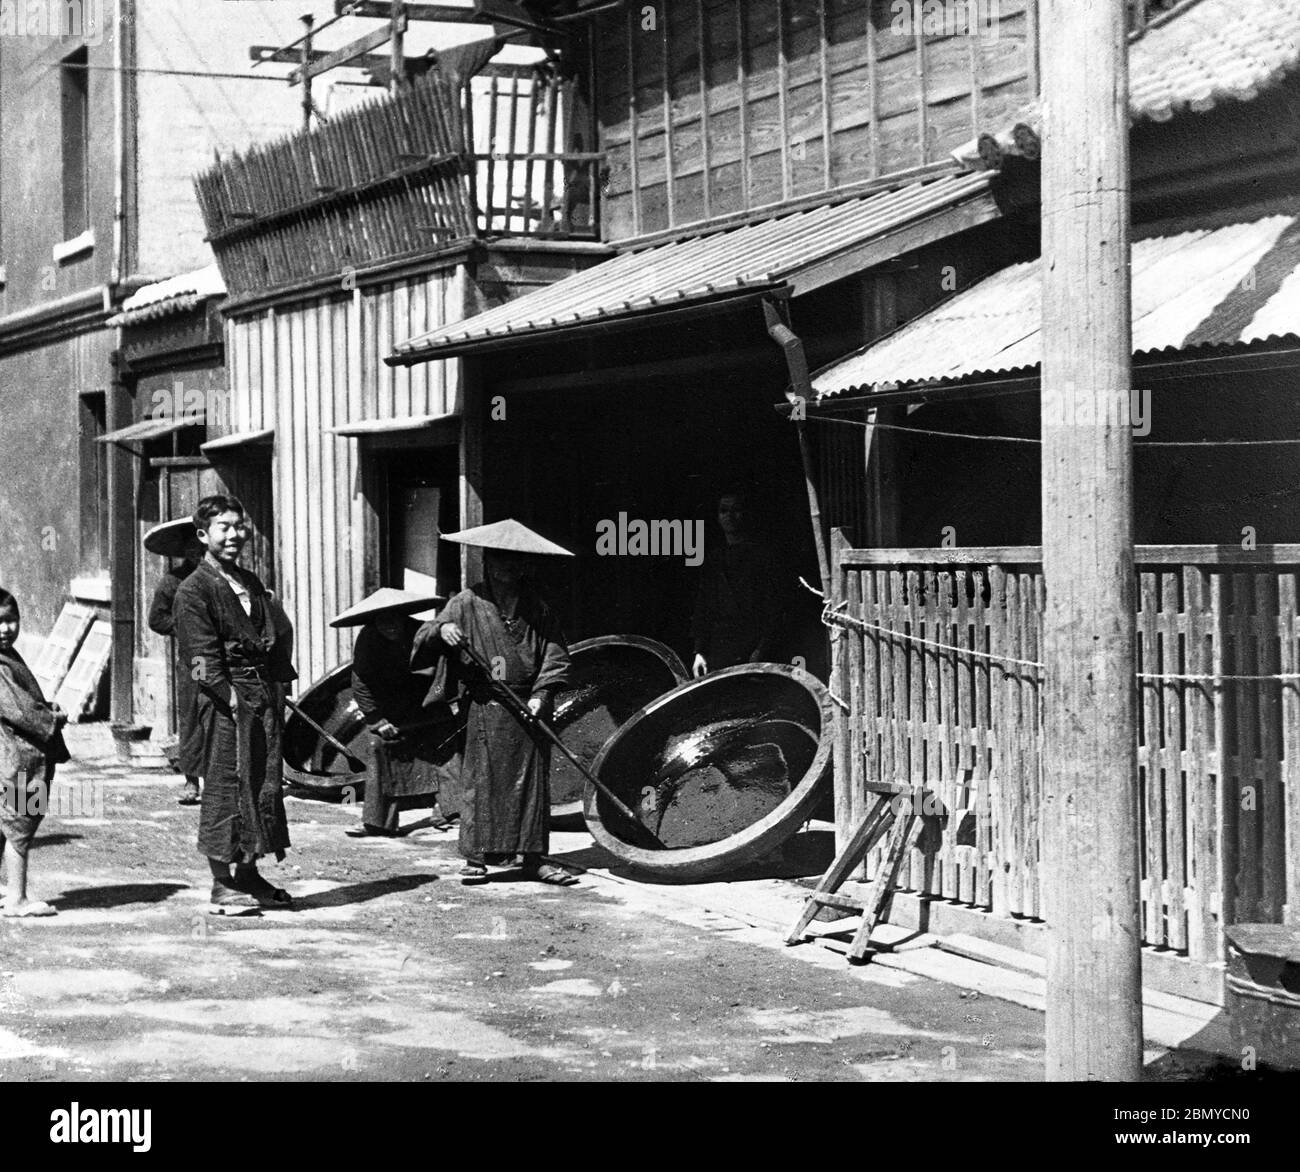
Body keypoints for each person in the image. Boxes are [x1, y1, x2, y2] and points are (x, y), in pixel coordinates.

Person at [411, 519, 576, 887]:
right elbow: (425, 635)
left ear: (524, 566)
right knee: (481, 784)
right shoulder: (466, 602)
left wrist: (541, 694)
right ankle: (476, 857)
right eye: (498, 560)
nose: (506, 568)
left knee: (530, 786)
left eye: (513, 561)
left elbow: (555, 655)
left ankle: (534, 859)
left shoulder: (538, 608)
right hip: (487, 706)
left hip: (528, 706)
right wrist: (442, 630)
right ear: (487, 562)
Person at [173, 495, 298, 916]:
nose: (233, 534)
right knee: (228, 785)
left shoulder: (249, 581)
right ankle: (221, 884)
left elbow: (277, 632)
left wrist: (277, 684)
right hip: (223, 699)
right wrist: (230, 699)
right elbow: (197, 659)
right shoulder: (194, 589)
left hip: (262, 695)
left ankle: (249, 873)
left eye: (238, 526)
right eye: (223, 527)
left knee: (262, 782)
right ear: (204, 535)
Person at [330, 588, 460, 838]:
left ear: (404, 617)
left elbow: (448, 655)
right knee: (379, 747)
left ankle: (450, 812)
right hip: (392, 710)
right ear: (374, 622)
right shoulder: (368, 639)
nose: (390, 626)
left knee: (447, 751)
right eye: (382, 621)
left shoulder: (423, 631)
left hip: (429, 705)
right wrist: (376, 719)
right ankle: (377, 822)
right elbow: (360, 682)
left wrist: (446, 695)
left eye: (394, 619)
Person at [0, 588, 70, 918]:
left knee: (6, 825)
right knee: (21, 826)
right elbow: (22, 712)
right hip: (21, 758)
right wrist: (52, 719)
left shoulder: (10, 656)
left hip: (12, 756)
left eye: (11, 620)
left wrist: (45, 706)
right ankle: (17, 899)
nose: (5, 629)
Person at [691, 489, 785, 677]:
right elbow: (704, 607)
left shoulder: (763, 557)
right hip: (720, 651)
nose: (729, 516)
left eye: (736, 510)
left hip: (754, 649)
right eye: (724, 510)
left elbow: (775, 608)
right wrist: (700, 651)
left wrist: (762, 649)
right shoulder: (714, 559)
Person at [144, 519, 204, 805]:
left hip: (226, 659)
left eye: (200, 545)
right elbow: (156, 619)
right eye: (190, 547)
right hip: (195, 661)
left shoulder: (223, 578)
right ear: (182, 550)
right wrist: (183, 626)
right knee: (192, 716)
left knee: (224, 717)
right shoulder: (173, 582)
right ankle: (192, 781)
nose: (196, 552)